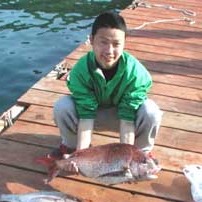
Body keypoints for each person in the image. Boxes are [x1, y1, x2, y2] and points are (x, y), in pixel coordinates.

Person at [51, 11, 163, 167]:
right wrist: (81, 157)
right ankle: (71, 148)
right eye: (103, 42)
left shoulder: (137, 74)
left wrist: (126, 159)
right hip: (92, 116)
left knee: (151, 111)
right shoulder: (80, 71)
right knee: (62, 106)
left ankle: (140, 154)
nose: (109, 51)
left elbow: (127, 118)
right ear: (91, 40)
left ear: (125, 43)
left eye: (116, 44)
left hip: (124, 119)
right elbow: (86, 114)